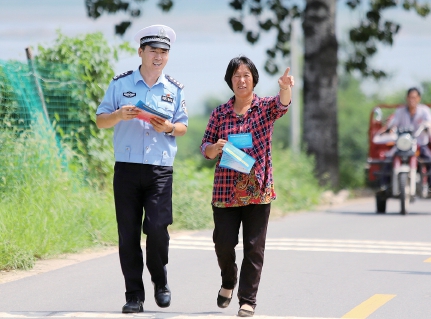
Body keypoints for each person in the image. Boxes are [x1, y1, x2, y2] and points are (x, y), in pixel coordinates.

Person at [95, 24, 188, 313]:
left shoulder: (174, 89)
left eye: (163, 52)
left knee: (158, 228)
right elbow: (100, 120)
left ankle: (160, 281)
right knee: (128, 233)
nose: (158, 56)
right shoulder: (120, 84)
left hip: (160, 170)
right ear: (141, 52)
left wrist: (170, 126)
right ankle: (134, 294)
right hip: (127, 168)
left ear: (168, 56)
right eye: (153, 51)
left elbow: (183, 126)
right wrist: (118, 115)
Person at [200, 56, 293, 317]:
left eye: (246, 75)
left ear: (254, 80)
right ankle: (228, 281)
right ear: (230, 81)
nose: (241, 80)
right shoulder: (219, 113)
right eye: (236, 76)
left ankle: (247, 300)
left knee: (254, 247)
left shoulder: (264, 108)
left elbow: (281, 105)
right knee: (223, 243)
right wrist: (214, 148)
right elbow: (205, 149)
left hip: (257, 190)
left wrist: (285, 87)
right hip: (225, 191)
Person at [382, 87, 431, 196]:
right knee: (388, 158)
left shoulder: (425, 111)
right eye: (410, 97)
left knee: (430, 159)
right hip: (402, 145)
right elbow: (393, 124)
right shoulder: (400, 111)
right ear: (406, 98)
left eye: (414, 97)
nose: (411, 100)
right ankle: (384, 186)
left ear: (419, 98)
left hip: (420, 145)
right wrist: (389, 130)